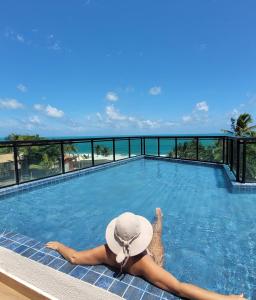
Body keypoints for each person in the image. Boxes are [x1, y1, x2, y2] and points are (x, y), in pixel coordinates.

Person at [46, 209, 245, 300]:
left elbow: (74, 258)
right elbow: (180, 288)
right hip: (152, 261)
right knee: (157, 236)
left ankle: (157, 219)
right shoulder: (145, 263)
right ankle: (159, 218)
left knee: (155, 235)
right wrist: (226, 299)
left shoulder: (104, 251)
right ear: (138, 239)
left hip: (129, 255)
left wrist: (59, 245)